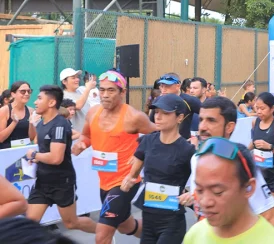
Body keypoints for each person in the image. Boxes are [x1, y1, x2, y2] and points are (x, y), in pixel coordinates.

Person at [72, 70, 156, 244]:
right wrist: (82, 143)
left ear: (122, 92)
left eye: (111, 90)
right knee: (125, 225)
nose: (105, 95)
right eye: (102, 90)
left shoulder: (134, 117)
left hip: (126, 181)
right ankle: (158, 236)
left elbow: (161, 136)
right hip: (104, 181)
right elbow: (86, 135)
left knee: (102, 234)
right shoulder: (93, 112)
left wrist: (141, 154)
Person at [187, 96, 274, 237]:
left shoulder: (239, 162)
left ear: (229, 127)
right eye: (201, 120)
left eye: (211, 120)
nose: (203, 127)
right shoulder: (196, 159)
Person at [120, 94, 195, 244]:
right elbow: (134, 173)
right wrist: (129, 179)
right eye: (157, 111)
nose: (158, 116)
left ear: (179, 118)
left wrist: (193, 194)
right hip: (148, 219)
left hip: (172, 222)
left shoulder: (187, 150)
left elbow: (203, 181)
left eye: (165, 113)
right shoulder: (147, 141)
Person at [184, 138, 274, 244]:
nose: (205, 202)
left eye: (217, 192)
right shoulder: (194, 235)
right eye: (200, 190)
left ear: (249, 188)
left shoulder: (272, 241)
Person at [25, 85, 96, 234]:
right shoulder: (42, 123)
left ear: (51, 103)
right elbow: (42, 148)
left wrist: (34, 155)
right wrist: (37, 159)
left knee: (71, 223)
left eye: (39, 98)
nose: (35, 102)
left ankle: (104, 233)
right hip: (42, 182)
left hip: (62, 183)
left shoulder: (60, 124)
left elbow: (56, 158)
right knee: (29, 224)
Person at [249, 92, 274, 212]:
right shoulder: (254, 122)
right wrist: (244, 151)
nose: (259, 112)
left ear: (272, 108)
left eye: (263, 108)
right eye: (257, 108)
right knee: (260, 214)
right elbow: (254, 141)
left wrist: (270, 147)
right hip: (260, 175)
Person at [153, 72, 201, 139]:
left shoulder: (190, 101)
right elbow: (151, 124)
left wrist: (197, 137)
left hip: (183, 144)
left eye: (167, 86)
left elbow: (207, 115)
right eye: (162, 86)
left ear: (178, 86)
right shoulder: (158, 101)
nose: (163, 89)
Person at [0, 81, 36, 149]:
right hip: (7, 152)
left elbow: (31, 138)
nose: (26, 94)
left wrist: (31, 123)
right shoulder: (4, 110)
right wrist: (14, 122)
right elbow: (1, 138)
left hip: (24, 152)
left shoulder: (31, 111)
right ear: (13, 94)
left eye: (29, 91)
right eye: (23, 91)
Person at [61, 68, 96, 132]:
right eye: (73, 78)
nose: (77, 79)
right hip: (76, 135)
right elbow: (78, 106)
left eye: (77, 77)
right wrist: (88, 88)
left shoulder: (81, 89)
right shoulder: (63, 96)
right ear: (64, 81)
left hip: (89, 131)